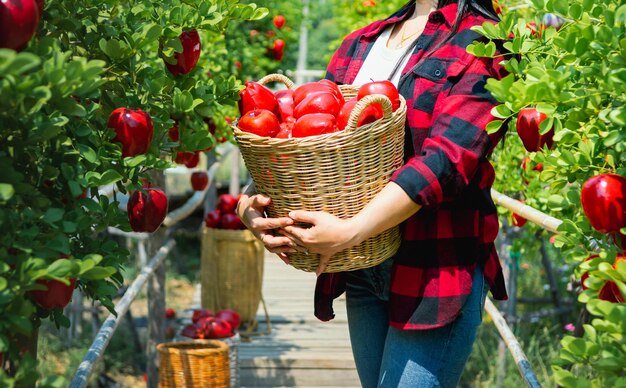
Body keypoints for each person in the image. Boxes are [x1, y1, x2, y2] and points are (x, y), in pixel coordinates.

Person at [236, 0, 509, 386]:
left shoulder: (485, 39)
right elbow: (306, 139)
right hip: (362, 267)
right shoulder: (360, 42)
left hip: (434, 265)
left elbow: (448, 160)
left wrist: (353, 229)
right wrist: (253, 198)